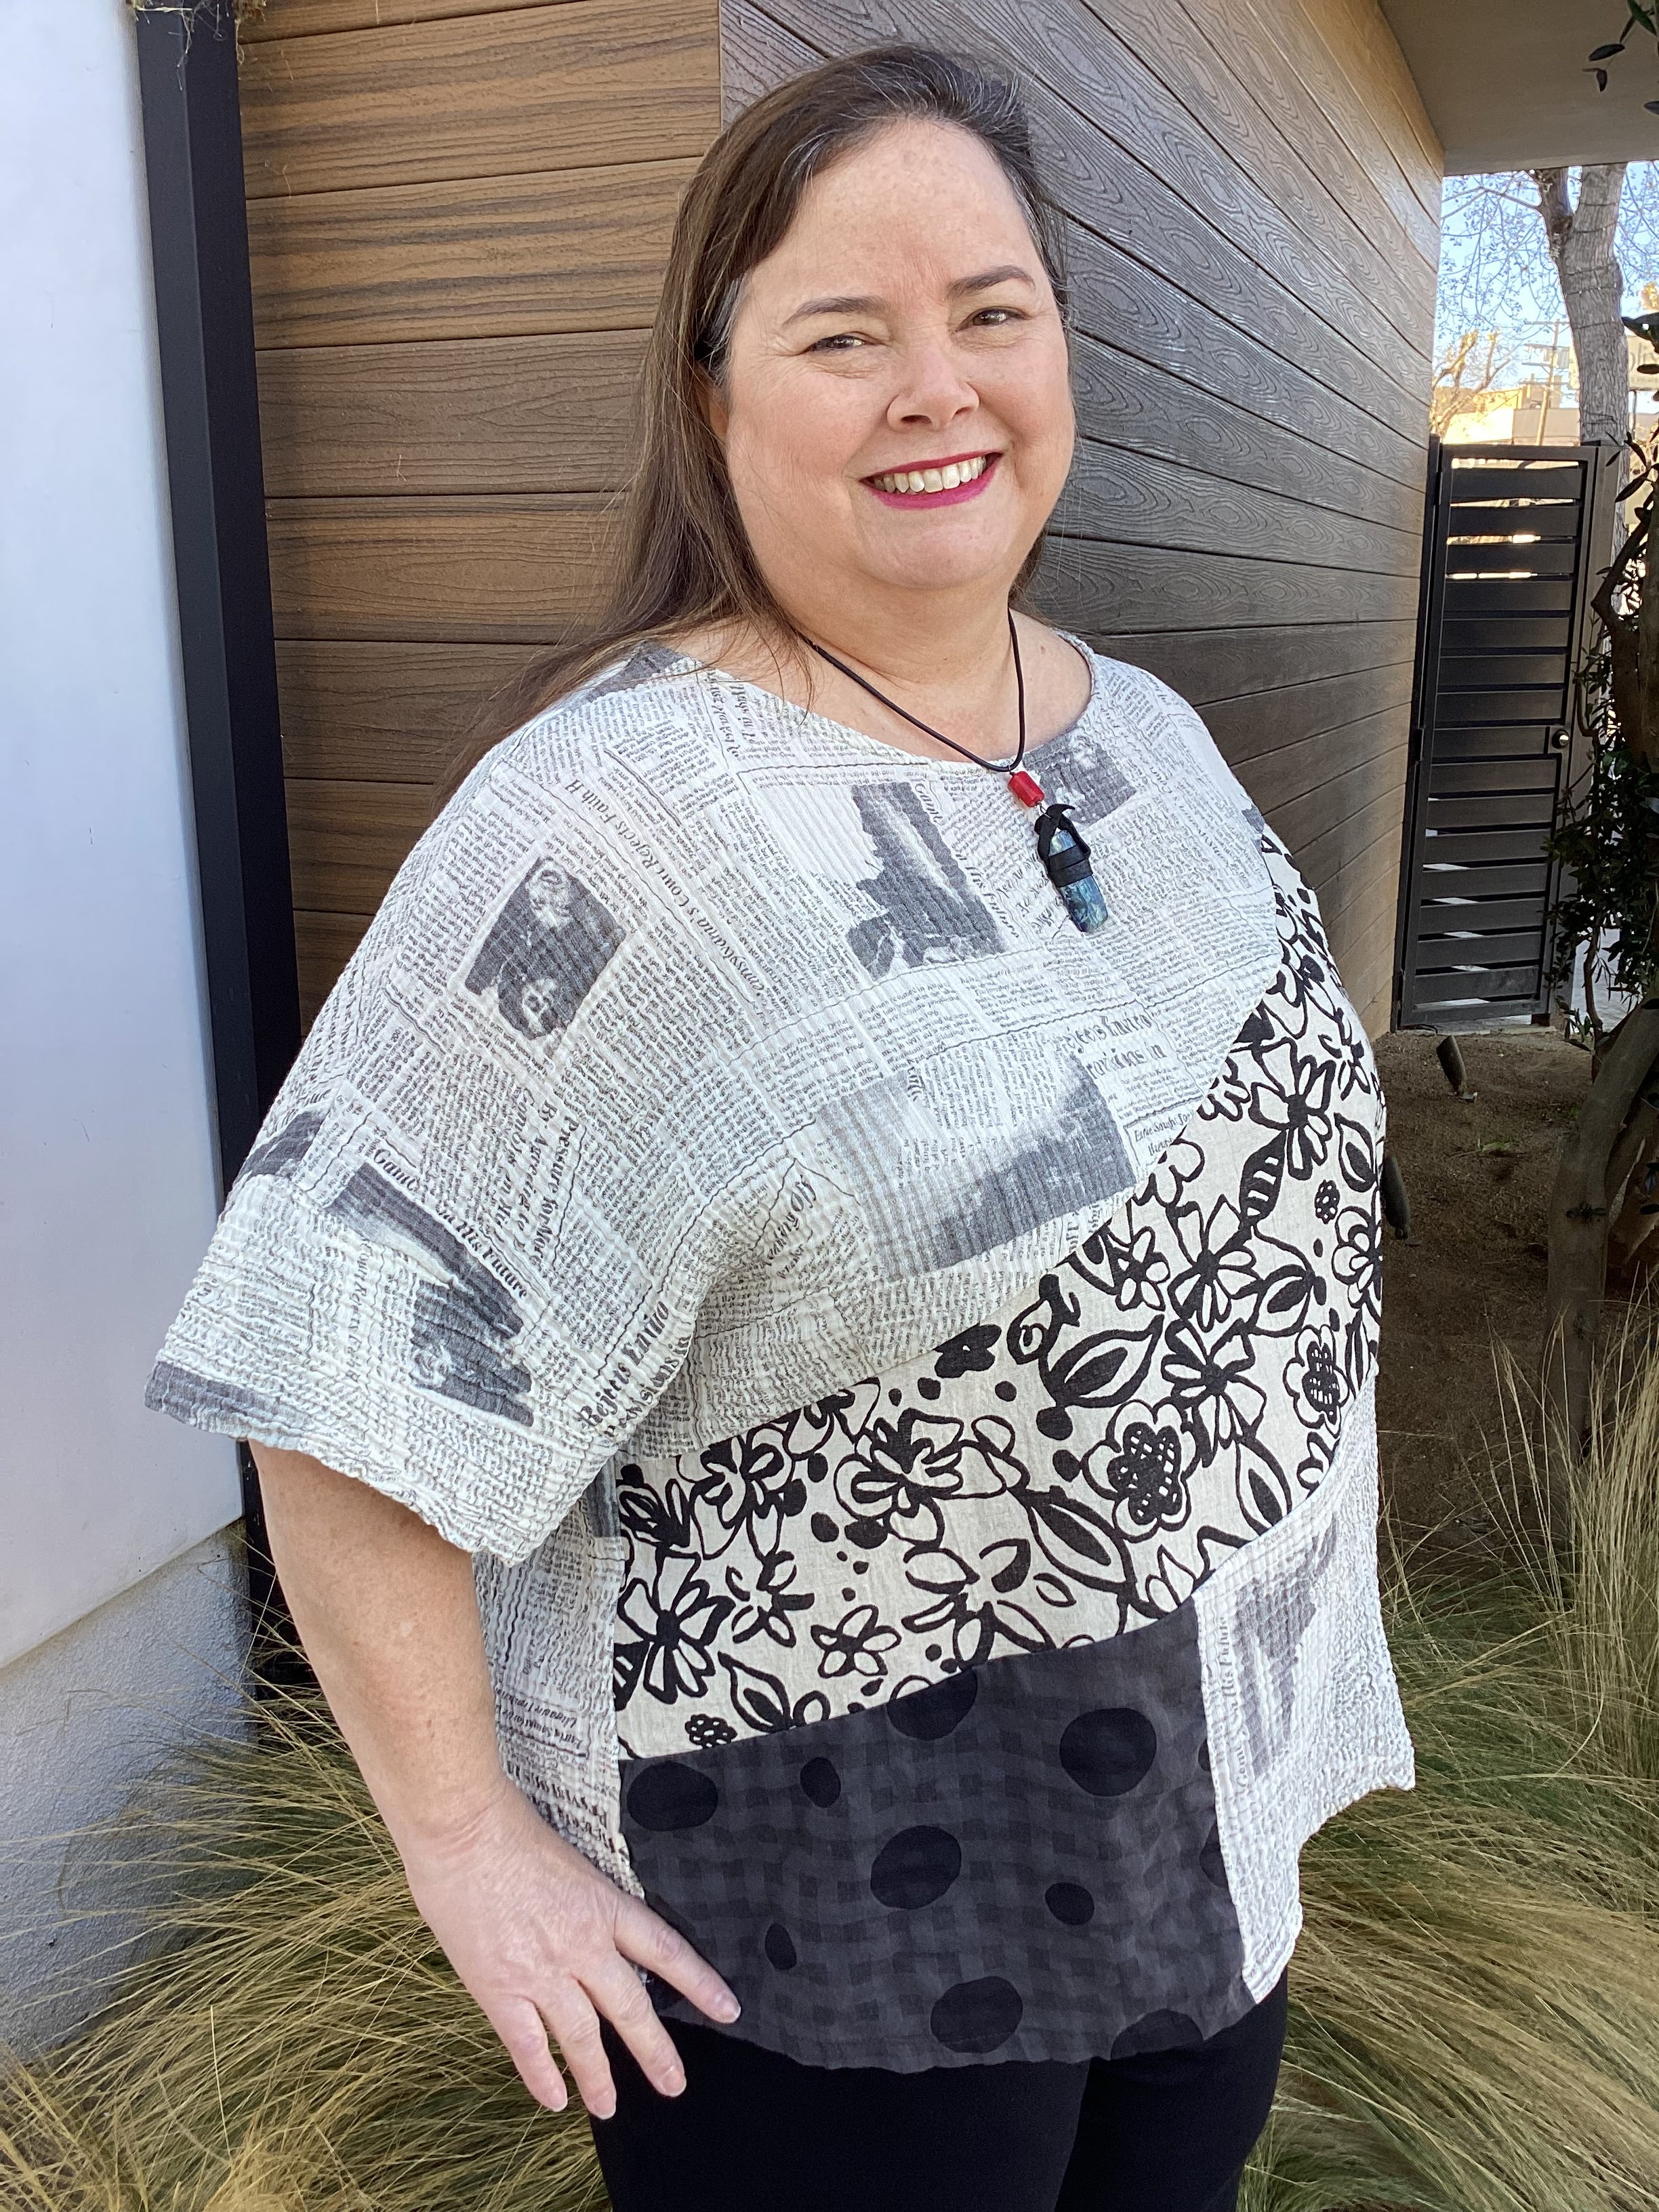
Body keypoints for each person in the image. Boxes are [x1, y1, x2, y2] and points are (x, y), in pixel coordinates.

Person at [147, 45, 1413, 2212]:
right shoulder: (625, 824)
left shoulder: (1154, 745)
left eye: (993, 312)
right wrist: (462, 1843)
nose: (940, 388)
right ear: (712, 396)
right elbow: (340, 1366)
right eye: (846, 336)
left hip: (1194, 1827)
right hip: (840, 1901)